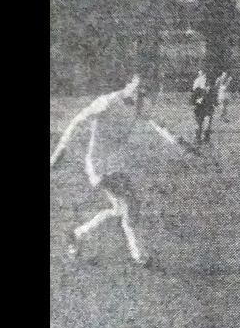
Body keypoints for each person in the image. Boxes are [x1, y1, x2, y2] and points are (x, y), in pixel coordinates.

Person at [50, 74, 198, 267]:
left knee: (122, 209)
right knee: (129, 205)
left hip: (116, 164)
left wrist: (179, 141)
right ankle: (139, 256)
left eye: (144, 88)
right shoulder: (108, 101)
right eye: (137, 87)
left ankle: (77, 234)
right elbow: (78, 121)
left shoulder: (138, 105)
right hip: (99, 164)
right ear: (128, 83)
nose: (140, 92)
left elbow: (158, 124)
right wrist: (59, 152)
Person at [189, 74, 218, 145]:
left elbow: (215, 101)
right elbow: (192, 101)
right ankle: (197, 139)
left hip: (208, 109)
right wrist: (197, 101)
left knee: (207, 125)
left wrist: (214, 101)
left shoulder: (212, 90)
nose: (207, 85)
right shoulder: (197, 90)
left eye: (208, 83)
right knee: (199, 125)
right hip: (199, 110)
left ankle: (206, 139)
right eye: (205, 82)